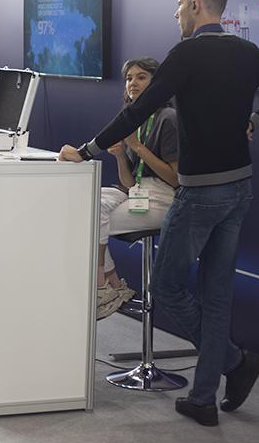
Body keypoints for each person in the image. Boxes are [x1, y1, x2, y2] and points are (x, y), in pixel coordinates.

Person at [59, 0, 259, 426]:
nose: (175, 14)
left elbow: (137, 110)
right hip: (240, 188)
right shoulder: (247, 51)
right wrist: (256, 121)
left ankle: (232, 361)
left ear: (195, 6)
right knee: (217, 294)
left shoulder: (187, 54)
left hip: (201, 192)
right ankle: (204, 397)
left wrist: (88, 150)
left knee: (167, 286)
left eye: (178, 6)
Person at [96, 57, 178, 320]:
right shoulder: (134, 119)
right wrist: (121, 155)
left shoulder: (168, 118)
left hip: (164, 198)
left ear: (156, 83)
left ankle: (103, 284)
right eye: (129, 78)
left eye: (141, 77)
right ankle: (111, 283)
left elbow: (175, 179)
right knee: (83, 204)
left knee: (90, 220)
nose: (133, 83)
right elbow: (129, 182)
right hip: (136, 192)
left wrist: (138, 147)